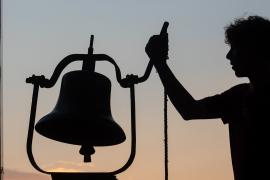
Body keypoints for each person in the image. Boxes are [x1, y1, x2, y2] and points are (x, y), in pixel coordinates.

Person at [145, 15, 270, 180]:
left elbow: (189, 110)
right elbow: (189, 110)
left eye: (235, 48)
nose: (228, 56)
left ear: (254, 49)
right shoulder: (238, 97)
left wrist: (160, 62)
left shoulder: (239, 98)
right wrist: (160, 63)